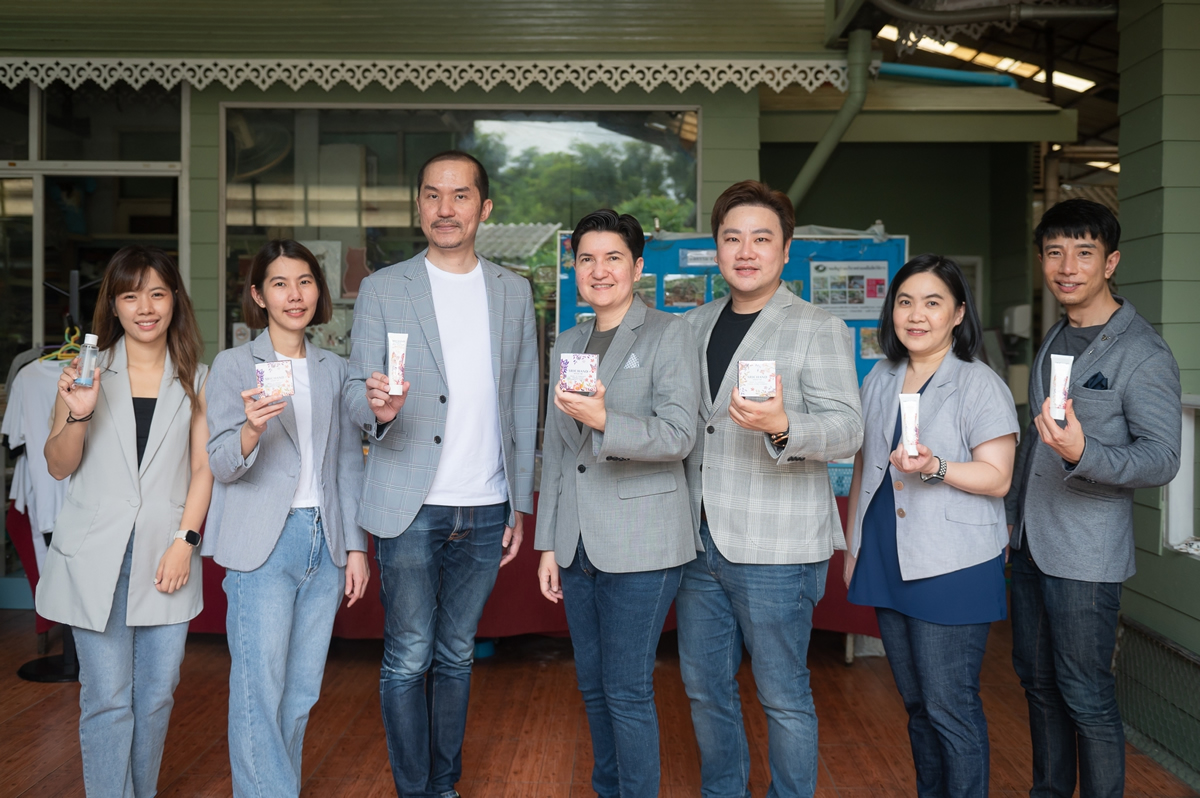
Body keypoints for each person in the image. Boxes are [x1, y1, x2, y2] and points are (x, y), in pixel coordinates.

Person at [343, 150, 538, 798]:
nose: (445, 208)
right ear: (419, 206)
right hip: (409, 502)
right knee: (407, 655)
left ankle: (443, 785)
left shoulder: (513, 291)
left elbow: (525, 400)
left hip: (485, 505)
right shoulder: (384, 288)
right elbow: (353, 389)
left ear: (484, 207)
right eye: (432, 195)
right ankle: (414, 788)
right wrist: (375, 409)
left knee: (456, 654)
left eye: (460, 196)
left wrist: (517, 504)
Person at [678, 180, 863, 798]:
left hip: (779, 549)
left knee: (783, 695)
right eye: (732, 238)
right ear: (717, 248)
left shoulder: (817, 326)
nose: (746, 251)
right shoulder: (692, 325)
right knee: (705, 688)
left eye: (762, 238)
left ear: (786, 251)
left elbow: (849, 429)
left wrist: (784, 424)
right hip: (698, 541)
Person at [1006, 198, 1181, 798]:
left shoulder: (1143, 352)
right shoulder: (1056, 335)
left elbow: (1162, 458)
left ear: (1110, 263)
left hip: (1086, 554)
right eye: (1054, 252)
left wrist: (1085, 453)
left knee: (1085, 694)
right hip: (1031, 544)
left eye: (1084, 252)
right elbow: (1035, 446)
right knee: (1037, 683)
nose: (1067, 266)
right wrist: (1011, 526)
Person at [535, 210, 701, 798]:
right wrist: (548, 544)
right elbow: (560, 452)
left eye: (613, 258)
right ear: (574, 267)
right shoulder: (570, 341)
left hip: (643, 539)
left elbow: (680, 436)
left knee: (627, 689)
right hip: (577, 542)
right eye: (587, 259)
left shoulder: (669, 333)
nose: (599, 270)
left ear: (637, 266)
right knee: (592, 685)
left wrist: (607, 419)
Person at [36, 245, 212, 798]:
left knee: (156, 696)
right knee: (108, 699)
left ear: (174, 300)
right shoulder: (83, 372)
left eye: (157, 294)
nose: (145, 308)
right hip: (95, 556)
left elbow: (203, 469)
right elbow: (58, 465)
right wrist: (80, 414)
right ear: (113, 305)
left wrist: (185, 541)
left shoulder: (197, 378)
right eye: (131, 295)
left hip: (166, 554)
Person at [844, 254, 1018, 798]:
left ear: (958, 313)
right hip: (886, 556)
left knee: (949, 707)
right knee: (918, 706)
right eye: (905, 302)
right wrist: (852, 545)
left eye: (933, 302)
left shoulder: (979, 383)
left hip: (953, 563)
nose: (916, 315)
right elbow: (864, 464)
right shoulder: (881, 376)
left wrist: (937, 466)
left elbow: (998, 477)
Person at [204, 240, 370, 797]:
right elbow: (220, 464)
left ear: (318, 291)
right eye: (279, 283)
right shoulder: (233, 365)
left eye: (304, 281)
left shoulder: (335, 369)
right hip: (262, 547)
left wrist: (355, 548)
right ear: (258, 296)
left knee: (301, 693)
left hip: (324, 543)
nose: (294, 294)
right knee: (260, 690)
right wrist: (251, 430)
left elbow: (347, 463)